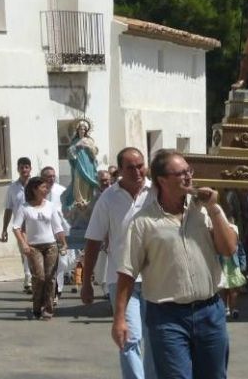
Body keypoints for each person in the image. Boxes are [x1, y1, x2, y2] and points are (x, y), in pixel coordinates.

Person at [113, 150, 237, 379]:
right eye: (180, 173)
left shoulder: (204, 209)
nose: (188, 177)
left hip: (209, 312)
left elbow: (229, 249)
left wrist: (214, 208)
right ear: (162, 180)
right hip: (167, 318)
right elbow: (127, 273)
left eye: (189, 171)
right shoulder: (143, 222)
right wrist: (120, 318)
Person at [82, 148, 157, 379]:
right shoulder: (108, 198)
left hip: (156, 278)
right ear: (120, 170)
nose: (137, 172)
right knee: (129, 338)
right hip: (120, 279)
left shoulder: (157, 192)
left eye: (140, 166)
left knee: (155, 338)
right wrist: (86, 282)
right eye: (130, 168)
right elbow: (93, 240)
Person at [12, 176, 67, 320]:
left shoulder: (50, 206)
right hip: (33, 247)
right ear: (34, 189)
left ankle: (48, 308)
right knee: (39, 277)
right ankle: (37, 305)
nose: (46, 190)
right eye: (43, 187)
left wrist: (63, 242)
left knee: (50, 277)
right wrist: (23, 244)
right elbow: (16, 227)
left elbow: (57, 227)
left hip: (51, 245)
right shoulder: (25, 207)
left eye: (46, 187)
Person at [2, 157, 33, 293]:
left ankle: (30, 278)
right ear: (18, 169)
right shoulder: (12, 188)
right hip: (20, 226)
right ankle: (28, 277)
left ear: (30, 168)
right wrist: (4, 229)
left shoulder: (36, 184)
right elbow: (8, 208)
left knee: (33, 252)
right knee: (25, 252)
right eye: (21, 167)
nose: (24, 169)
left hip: (35, 224)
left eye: (26, 167)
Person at [41, 167, 70, 303]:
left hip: (60, 231)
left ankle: (58, 288)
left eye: (53, 176)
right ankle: (53, 291)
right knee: (49, 264)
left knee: (63, 262)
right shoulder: (38, 192)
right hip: (45, 232)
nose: (51, 179)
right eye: (48, 176)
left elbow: (68, 210)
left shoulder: (62, 190)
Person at [66, 119, 99, 208]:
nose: (82, 131)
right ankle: (79, 200)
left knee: (88, 181)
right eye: (81, 129)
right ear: (77, 130)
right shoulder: (75, 141)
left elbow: (95, 151)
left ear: (86, 131)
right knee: (78, 180)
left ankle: (88, 199)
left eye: (84, 129)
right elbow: (69, 151)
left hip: (88, 163)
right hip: (79, 163)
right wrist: (76, 146)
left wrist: (88, 147)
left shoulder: (89, 141)